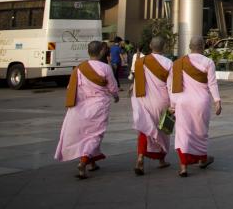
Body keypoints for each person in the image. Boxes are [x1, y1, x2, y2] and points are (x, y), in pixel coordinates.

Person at [55, 41, 120, 179]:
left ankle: (92, 163)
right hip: (98, 105)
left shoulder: (79, 68)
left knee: (85, 134)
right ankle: (84, 162)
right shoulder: (105, 68)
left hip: (80, 106)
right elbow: (113, 88)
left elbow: (70, 88)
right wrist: (116, 96)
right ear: (102, 52)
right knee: (95, 135)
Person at [169, 36, 222, 177]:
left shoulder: (178, 62)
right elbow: (212, 83)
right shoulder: (208, 62)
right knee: (200, 132)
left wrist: (172, 105)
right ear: (203, 46)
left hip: (183, 102)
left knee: (183, 133)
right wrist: (217, 101)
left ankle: (183, 166)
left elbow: (172, 86)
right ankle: (202, 159)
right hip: (201, 102)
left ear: (189, 46)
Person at [131, 37, 172, 175]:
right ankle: (161, 160)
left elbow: (136, 81)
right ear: (164, 47)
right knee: (164, 130)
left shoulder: (140, 61)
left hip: (144, 100)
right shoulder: (168, 63)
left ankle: (140, 157)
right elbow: (171, 86)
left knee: (145, 130)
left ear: (150, 45)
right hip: (162, 101)